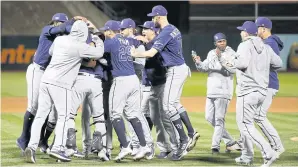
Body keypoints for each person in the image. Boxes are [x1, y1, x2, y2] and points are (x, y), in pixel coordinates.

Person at [24, 20, 104, 163]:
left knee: (41, 116)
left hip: (46, 80)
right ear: (83, 33)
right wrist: (97, 38)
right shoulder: (81, 46)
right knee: (64, 117)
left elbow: (50, 52)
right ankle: (58, 148)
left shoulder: (60, 39)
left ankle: (31, 146)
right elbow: (99, 53)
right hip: (61, 84)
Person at [131, 5, 199, 160]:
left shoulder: (165, 32)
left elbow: (151, 53)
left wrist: (136, 53)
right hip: (179, 67)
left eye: (153, 17)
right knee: (174, 103)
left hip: (175, 70)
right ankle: (190, 132)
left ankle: (184, 139)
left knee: (168, 105)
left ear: (159, 17)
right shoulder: (173, 29)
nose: (152, 20)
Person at [218, 21, 283, 167]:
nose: (241, 33)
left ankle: (268, 152)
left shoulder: (244, 45)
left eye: (242, 31)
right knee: (247, 124)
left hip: (247, 92)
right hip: (261, 91)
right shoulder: (265, 47)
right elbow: (278, 64)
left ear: (246, 32)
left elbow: (241, 64)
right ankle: (247, 156)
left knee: (245, 125)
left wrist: (231, 60)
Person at [16, 13, 83, 153]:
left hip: (49, 75)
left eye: (60, 22)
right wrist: (73, 21)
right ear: (53, 22)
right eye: (57, 22)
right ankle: (23, 139)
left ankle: (42, 141)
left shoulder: (64, 39)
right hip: (37, 70)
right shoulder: (47, 29)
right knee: (34, 106)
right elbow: (59, 29)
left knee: (48, 109)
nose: (58, 24)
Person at [100, 20, 151, 162]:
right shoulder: (128, 41)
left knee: (115, 114)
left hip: (121, 81)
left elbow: (97, 52)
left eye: (106, 30)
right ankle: (144, 145)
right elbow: (137, 42)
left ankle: (125, 146)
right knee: (133, 114)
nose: (105, 32)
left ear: (110, 31)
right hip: (134, 80)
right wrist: (140, 39)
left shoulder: (110, 42)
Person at [192, 32, 242, 154]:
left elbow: (232, 70)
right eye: (219, 41)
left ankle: (215, 147)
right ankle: (230, 142)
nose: (222, 43)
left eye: (224, 41)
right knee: (209, 118)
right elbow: (204, 68)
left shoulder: (231, 53)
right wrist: (198, 62)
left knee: (219, 120)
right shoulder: (211, 53)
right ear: (215, 43)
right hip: (211, 91)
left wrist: (220, 58)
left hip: (223, 91)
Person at [139, 21, 180, 158]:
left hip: (160, 84)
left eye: (146, 29)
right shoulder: (145, 44)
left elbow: (154, 55)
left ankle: (176, 146)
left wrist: (146, 44)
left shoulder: (158, 42)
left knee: (164, 117)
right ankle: (164, 147)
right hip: (148, 84)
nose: (143, 31)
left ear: (153, 31)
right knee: (155, 118)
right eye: (142, 29)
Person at [119, 18, 154, 158]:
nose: (121, 31)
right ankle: (136, 145)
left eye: (123, 29)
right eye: (120, 29)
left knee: (137, 115)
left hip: (136, 84)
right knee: (128, 116)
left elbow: (139, 67)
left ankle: (149, 146)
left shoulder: (137, 43)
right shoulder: (126, 42)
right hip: (128, 84)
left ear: (131, 29)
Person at [255, 17, 285, 157]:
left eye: (257, 28)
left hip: (268, 84)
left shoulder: (270, 43)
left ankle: (277, 146)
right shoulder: (267, 42)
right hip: (264, 85)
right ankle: (244, 144)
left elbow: (268, 64)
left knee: (259, 116)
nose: (256, 31)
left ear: (263, 29)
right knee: (251, 116)